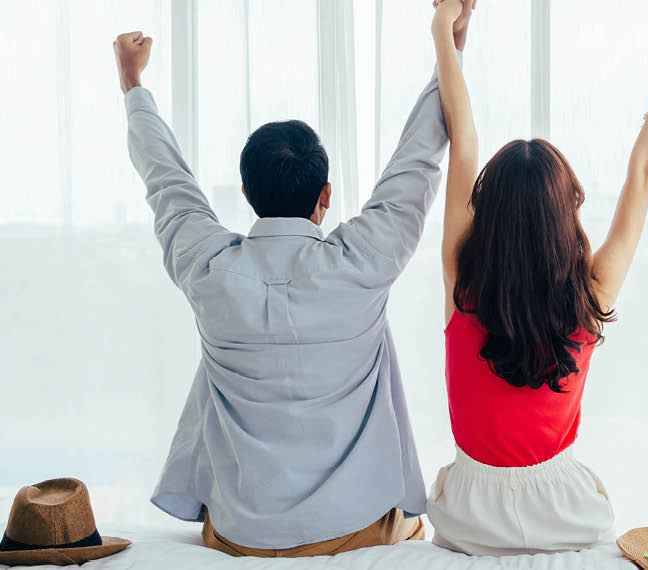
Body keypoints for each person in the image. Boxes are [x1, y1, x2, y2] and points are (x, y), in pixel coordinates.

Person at [111, 3, 476, 556]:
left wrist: (132, 84)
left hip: (240, 537)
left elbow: (165, 179)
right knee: (413, 529)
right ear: (325, 195)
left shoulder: (209, 270)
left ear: (246, 197)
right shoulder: (363, 262)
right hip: (353, 530)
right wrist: (448, 49)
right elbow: (418, 160)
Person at [426, 0, 648, 555]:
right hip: (565, 518)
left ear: (488, 214)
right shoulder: (590, 292)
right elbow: (644, 175)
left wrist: (444, 30)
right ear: (566, 214)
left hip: (467, 520)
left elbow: (464, 141)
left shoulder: (464, 281)